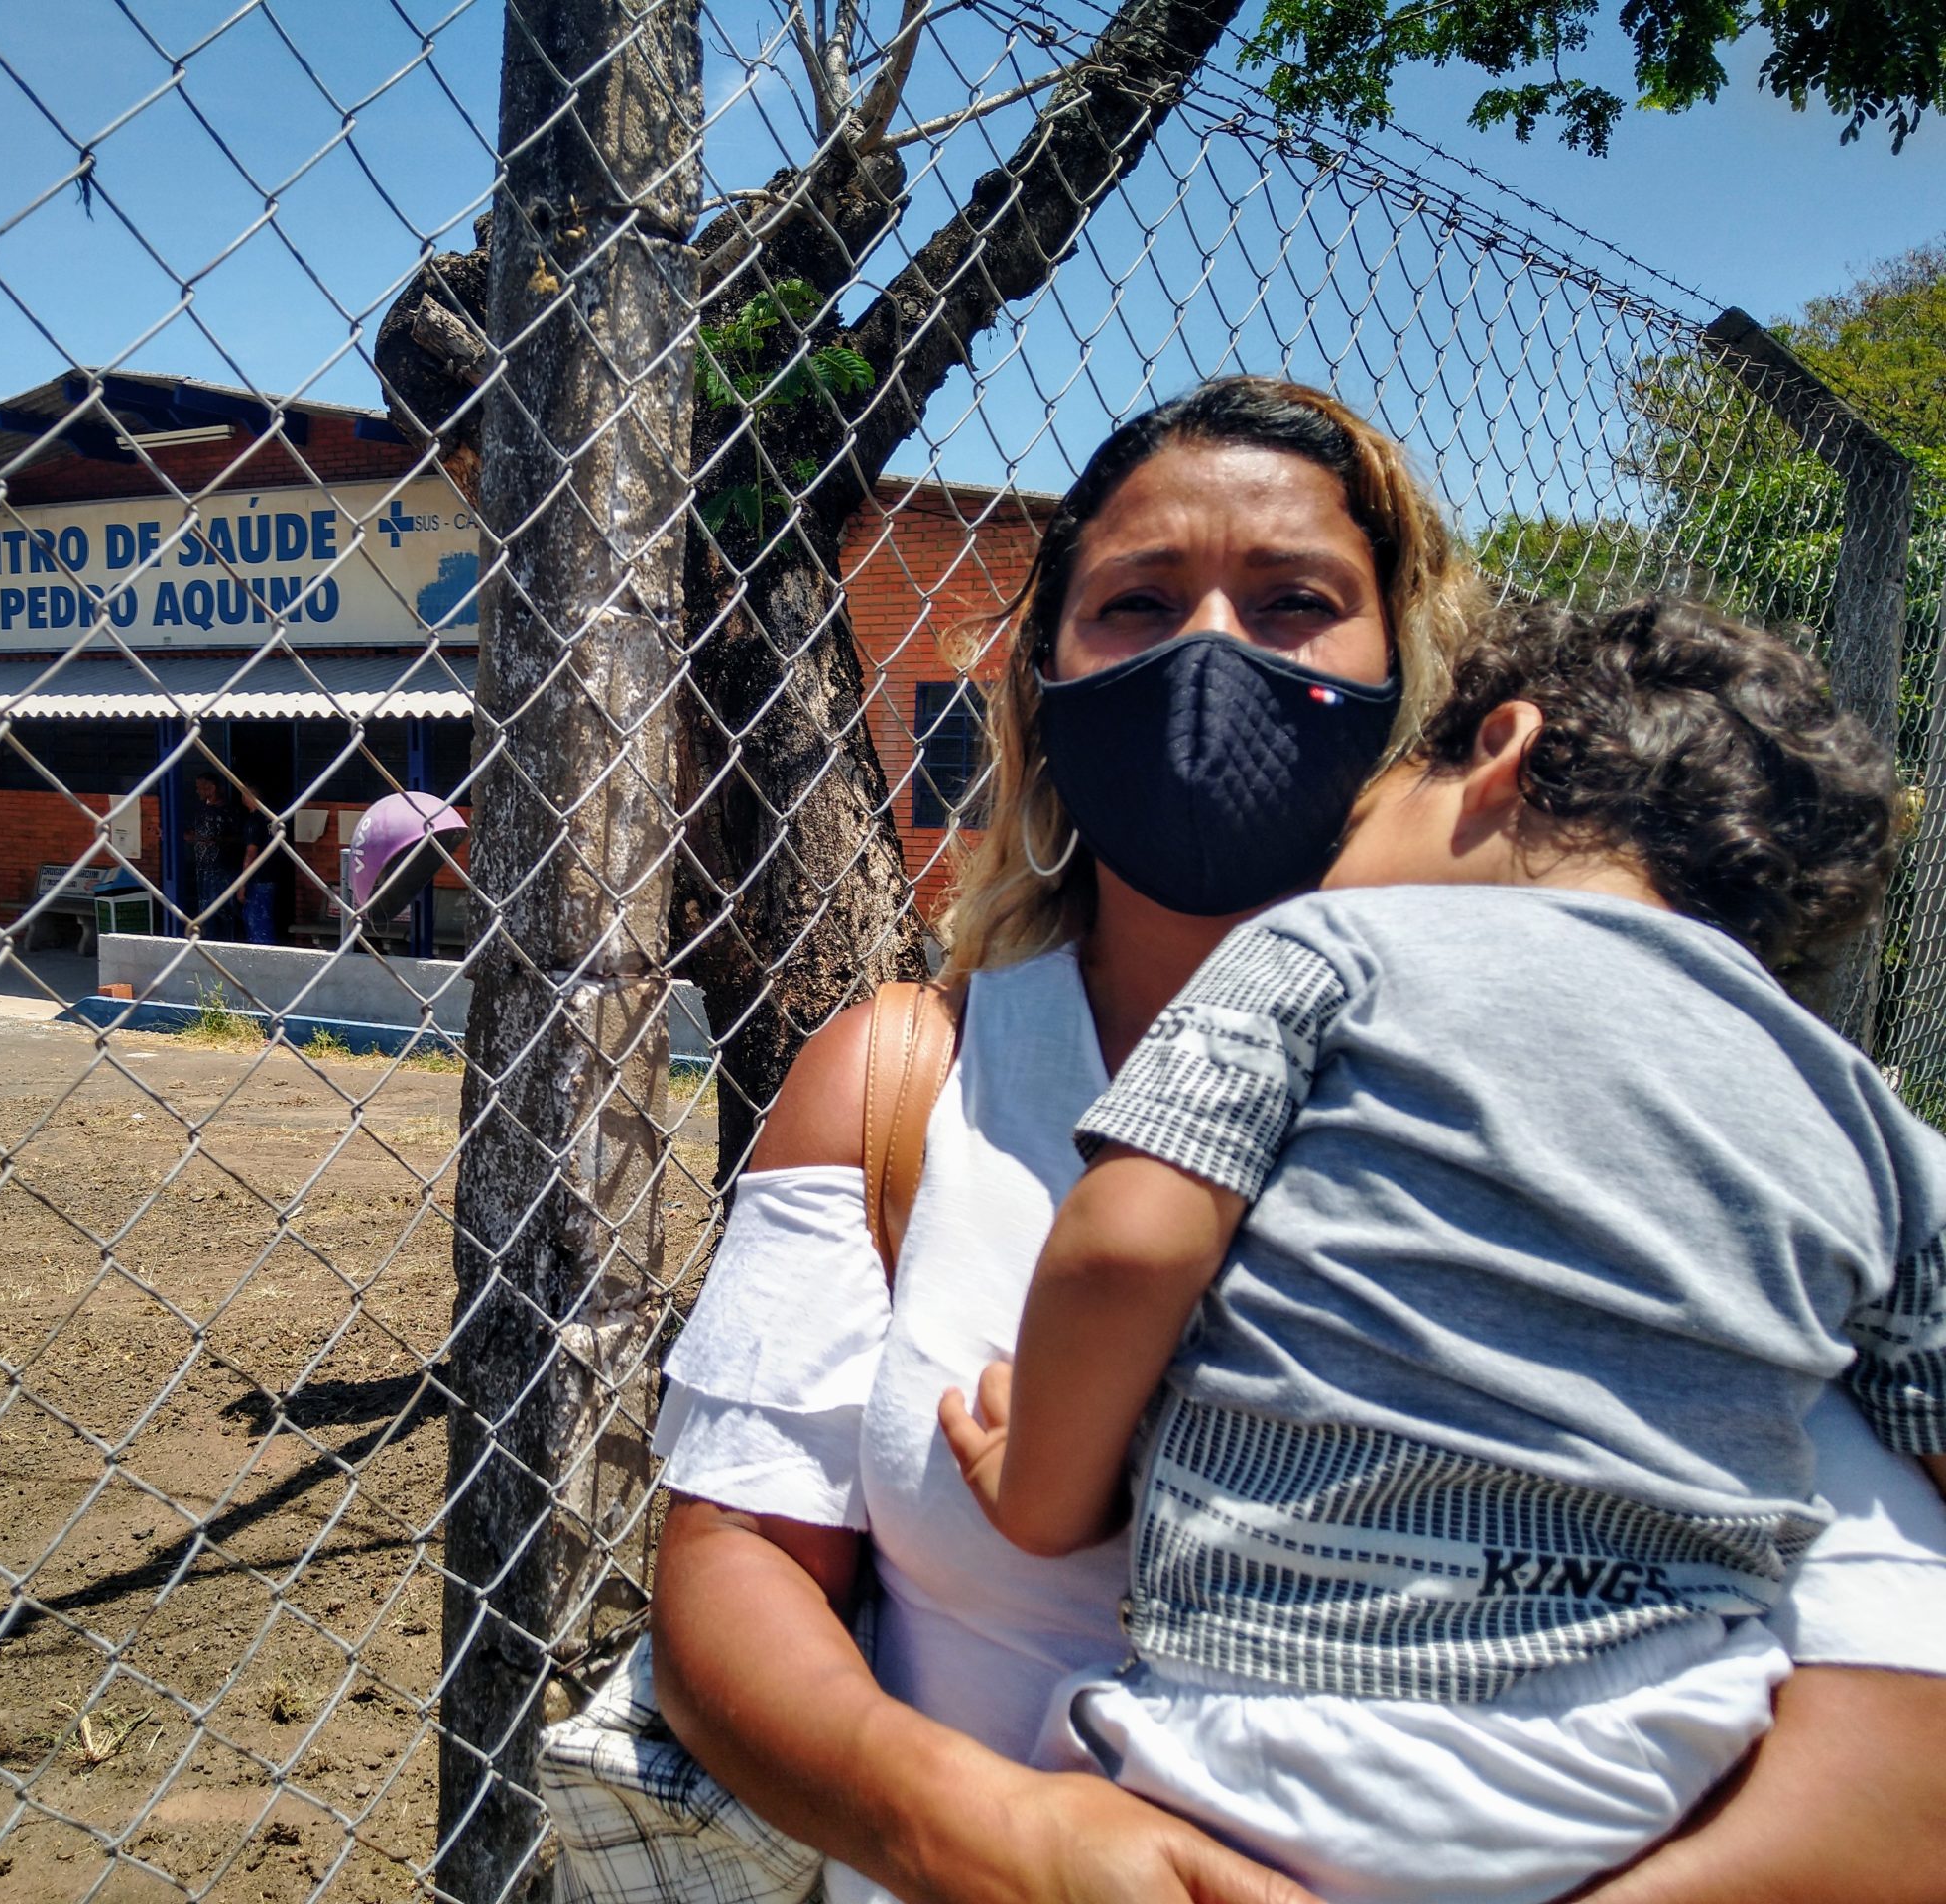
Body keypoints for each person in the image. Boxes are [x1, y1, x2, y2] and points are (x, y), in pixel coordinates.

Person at [645, 378, 1946, 1904]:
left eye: (1292, 603)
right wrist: (987, 1833)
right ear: (1045, 688)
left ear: (1424, 685)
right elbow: (734, 1565)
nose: (1209, 655)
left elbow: (1900, 1737)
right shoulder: (905, 1086)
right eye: (1136, 606)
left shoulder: (1671, 1131)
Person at [938, 596, 1944, 1903]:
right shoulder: (1861, 1107)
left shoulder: (1328, 946)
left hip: (1272, 1724)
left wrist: (1042, 1492)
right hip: (1663, 1757)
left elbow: (1130, 1244)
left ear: (1501, 750)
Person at [182, 769, 249, 940]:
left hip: (224, 868)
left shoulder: (230, 812)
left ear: (212, 789)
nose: (198, 791)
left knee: (226, 909)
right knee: (206, 909)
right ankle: (210, 942)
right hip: (203, 868)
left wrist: (219, 840)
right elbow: (189, 833)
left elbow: (242, 838)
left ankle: (230, 942)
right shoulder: (199, 811)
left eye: (201, 788)